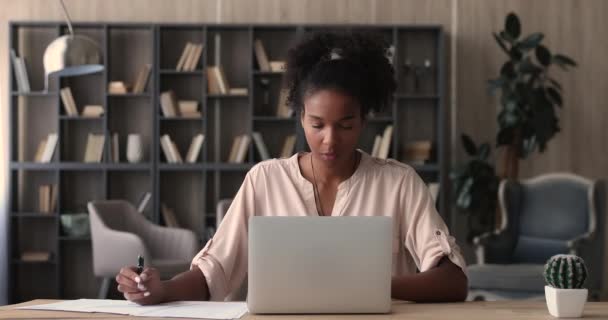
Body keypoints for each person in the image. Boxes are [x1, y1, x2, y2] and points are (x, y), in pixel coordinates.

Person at [115, 32, 468, 305]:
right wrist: (162, 290)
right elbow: (213, 272)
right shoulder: (264, 180)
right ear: (300, 118)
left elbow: (453, 281)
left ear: (363, 120)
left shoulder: (398, 182)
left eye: (345, 125)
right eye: (317, 125)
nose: (330, 140)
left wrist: (371, 287)